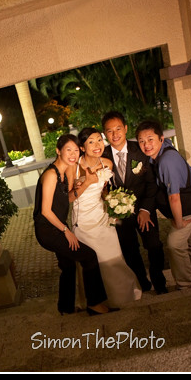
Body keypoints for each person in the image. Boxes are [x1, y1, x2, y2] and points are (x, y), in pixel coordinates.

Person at [33, 134, 110, 316]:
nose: (73, 154)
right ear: (58, 151)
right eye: (69, 150)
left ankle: (66, 308)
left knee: (68, 266)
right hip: (48, 230)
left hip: (55, 226)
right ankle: (95, 304)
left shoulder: (63, 173)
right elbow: (45, 211)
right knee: (89, 257)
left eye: (76, 150)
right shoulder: (51, 174)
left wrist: (83, 185)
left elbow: (67, 199)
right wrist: (66, 231)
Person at [67, 127, 142, 308]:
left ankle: (121, 295)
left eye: (99, 140)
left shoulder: (107, 163)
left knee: (113, 256)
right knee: (95, 262)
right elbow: (69, 197)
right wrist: (86, 182)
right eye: (91, 142)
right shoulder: (74, 168)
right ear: (83, 147)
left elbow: (104, 190)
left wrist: (114, 203)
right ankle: (97, 301)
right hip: (83, 222)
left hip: (102, 217)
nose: (97, 145)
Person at [135, 120, 191, 290]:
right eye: (141, 141)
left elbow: (174, 197)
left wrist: (179, 221)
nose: (146, 145)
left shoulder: (167, 160)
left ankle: (184, 284)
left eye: (150, 139)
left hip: (185, 207)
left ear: (161, 139)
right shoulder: (159, 154)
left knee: (175, 243)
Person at [101, 111, 167, 294]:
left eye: (118, 129)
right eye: (109, 131)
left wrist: (145, 209)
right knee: (129, 250)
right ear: (105, 134)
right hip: (118, 213)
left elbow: (152, 184)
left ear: (125, 128)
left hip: (144, 208)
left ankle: (159, 283)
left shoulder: (140, 150)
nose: (115, 135)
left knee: (154, 245)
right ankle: (142, 283)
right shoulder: (103, 156)